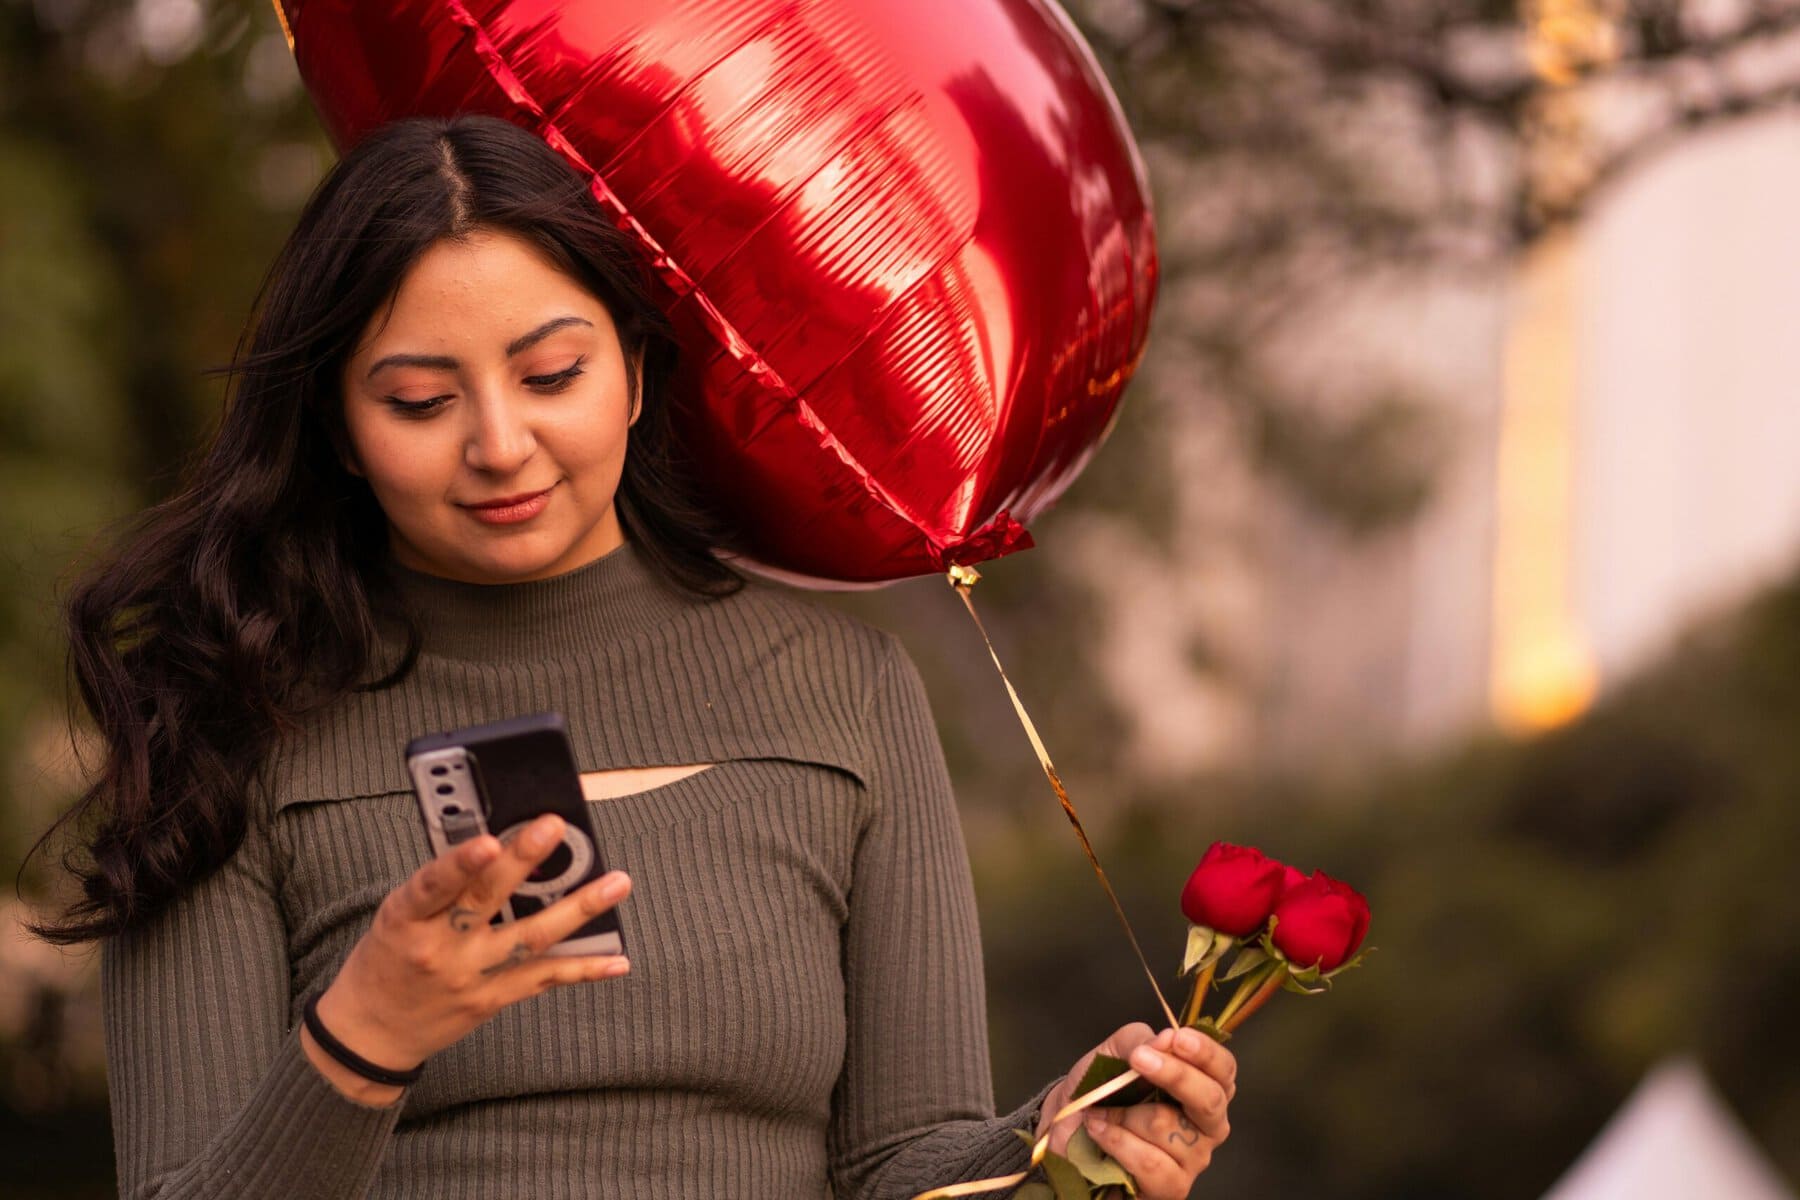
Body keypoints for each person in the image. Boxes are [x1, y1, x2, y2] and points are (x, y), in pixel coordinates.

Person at [32, 113, 1234, 1200]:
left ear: (637, 374)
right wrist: (364, 1037)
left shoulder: (842, 694)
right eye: (417, 401)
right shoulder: (222, 724)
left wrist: (1060, 1146)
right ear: (341, 434)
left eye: (552, 374)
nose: (501, 444)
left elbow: (900, 1168)